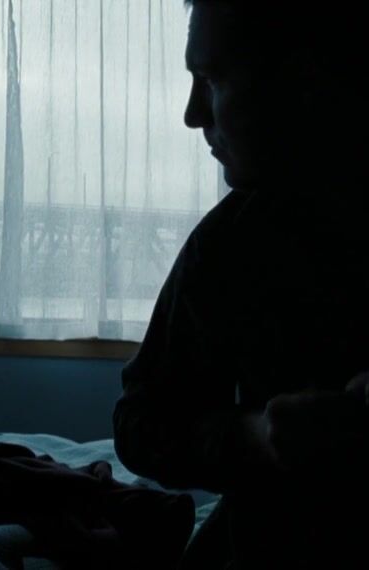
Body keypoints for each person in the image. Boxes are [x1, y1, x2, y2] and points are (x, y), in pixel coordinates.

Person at [112, 1, 369, 567]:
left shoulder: (233, 240)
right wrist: (255, 438)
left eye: (211, 79)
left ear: (304, 79)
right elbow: (140, 423)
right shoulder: (228, 242)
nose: (191, 114)